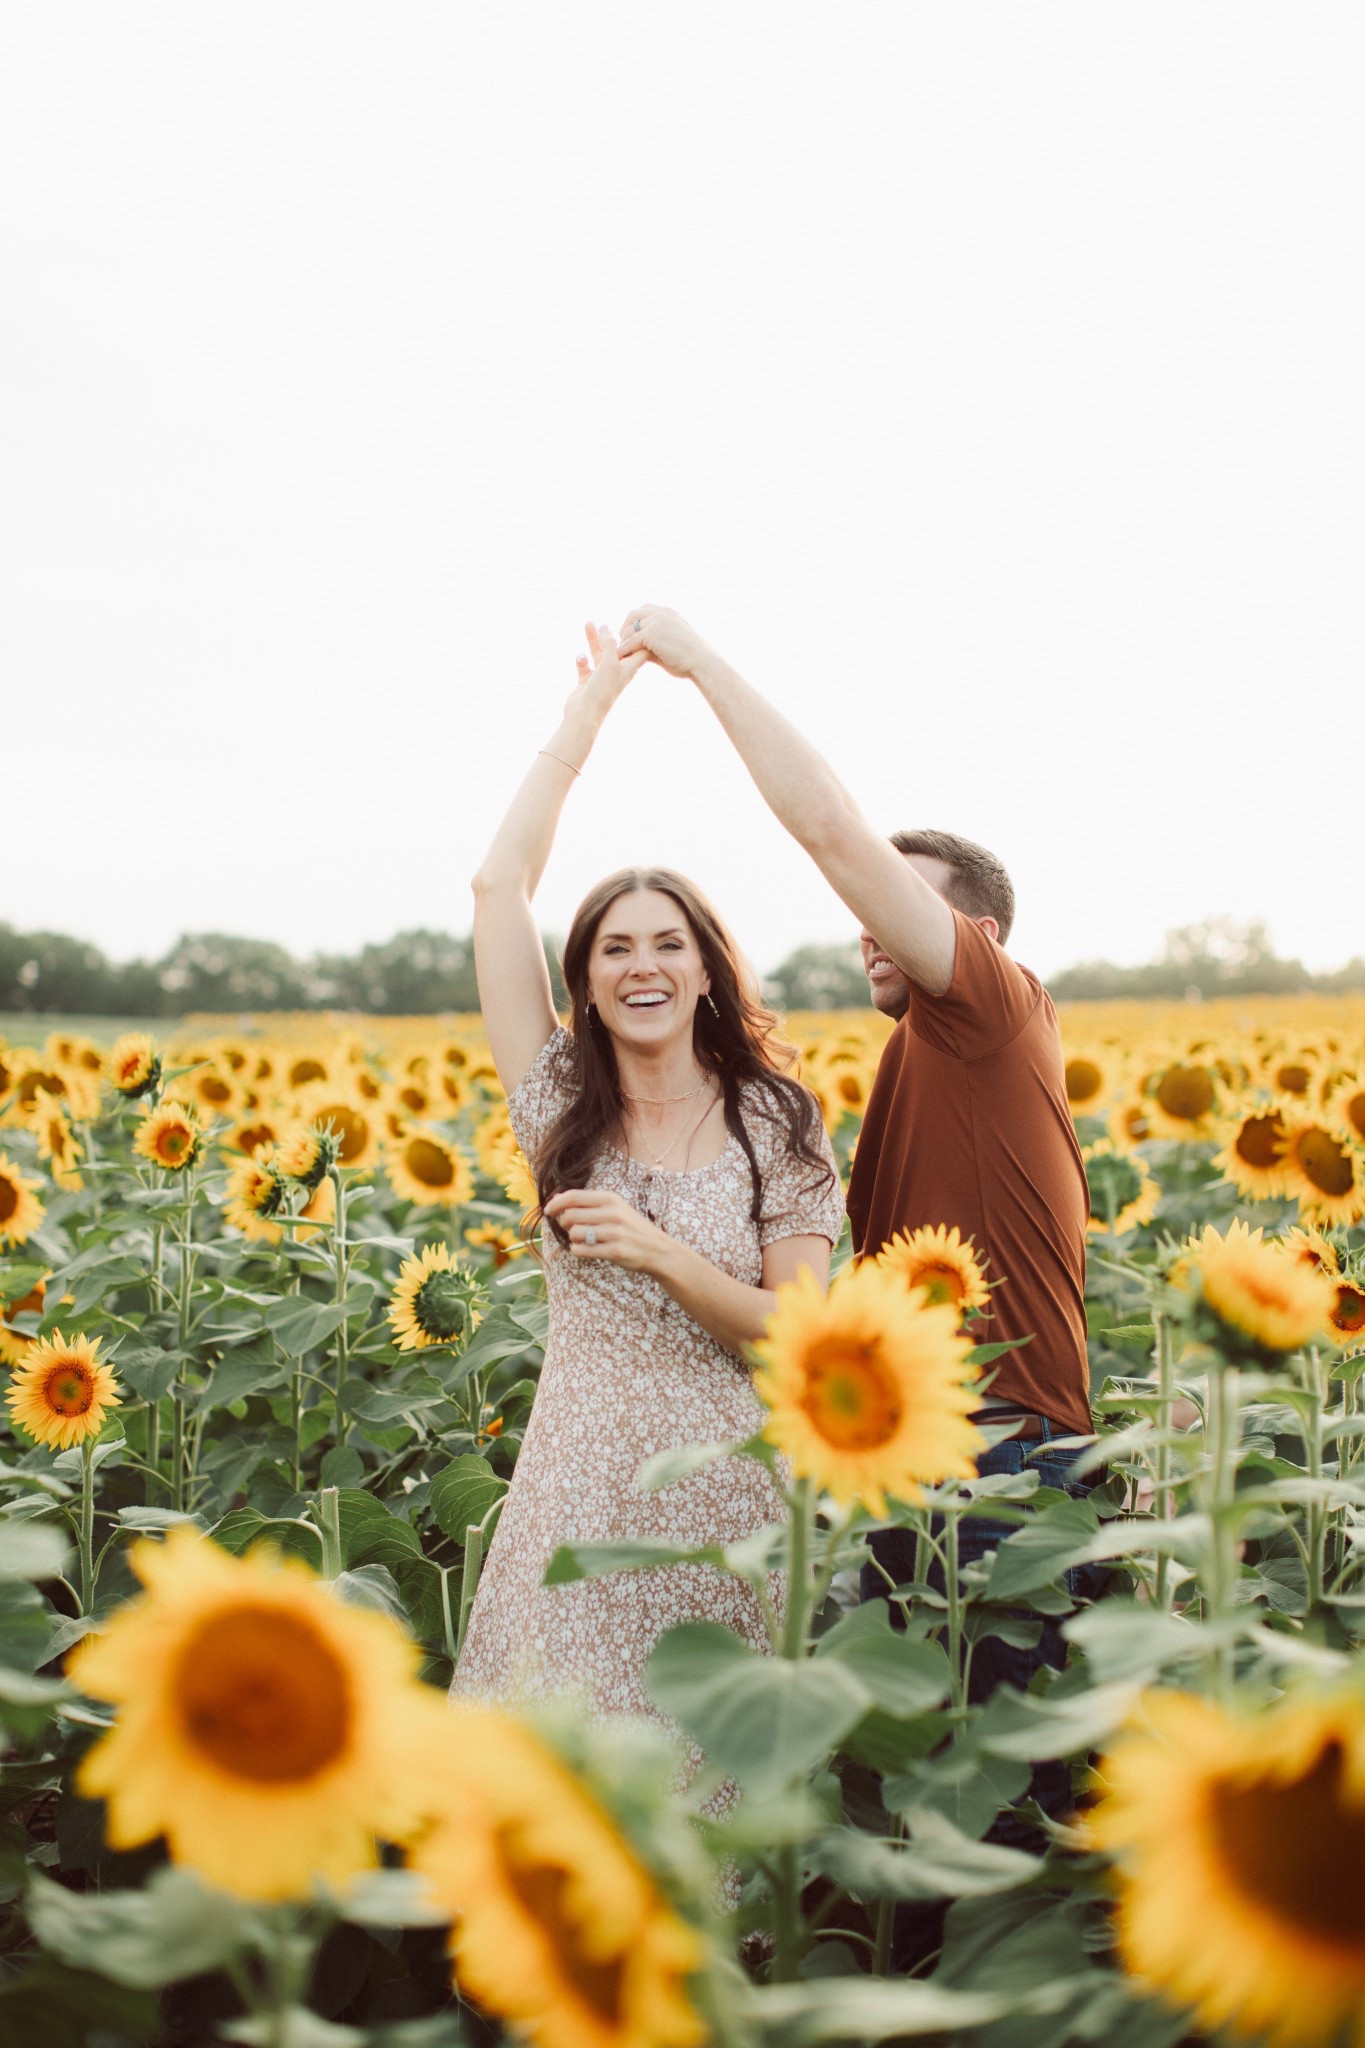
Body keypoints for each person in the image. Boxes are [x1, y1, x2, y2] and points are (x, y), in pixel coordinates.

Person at [614, 607, 1095, 1879]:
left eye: (892, 903)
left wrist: (702, 663)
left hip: (997, 1463)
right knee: (929, 1804)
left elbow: (827, 825)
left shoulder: (987, 1005)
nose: (860, 922)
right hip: (935, 1457)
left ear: (973, 931)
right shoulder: (921, 1055)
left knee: (994, 1821)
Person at [452, 623, 845, 1783]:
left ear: (709, 966)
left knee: (699, 1794)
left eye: (669, 941)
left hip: (724, 1503)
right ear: (585, 977)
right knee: (559, 1788)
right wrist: (586, 719)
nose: (643, 964)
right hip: (575, 1493)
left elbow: (804, 1333)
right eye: (615, 946)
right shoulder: (559, 1103)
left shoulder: (776, 1116)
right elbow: (494, 885)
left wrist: (663, 1253)